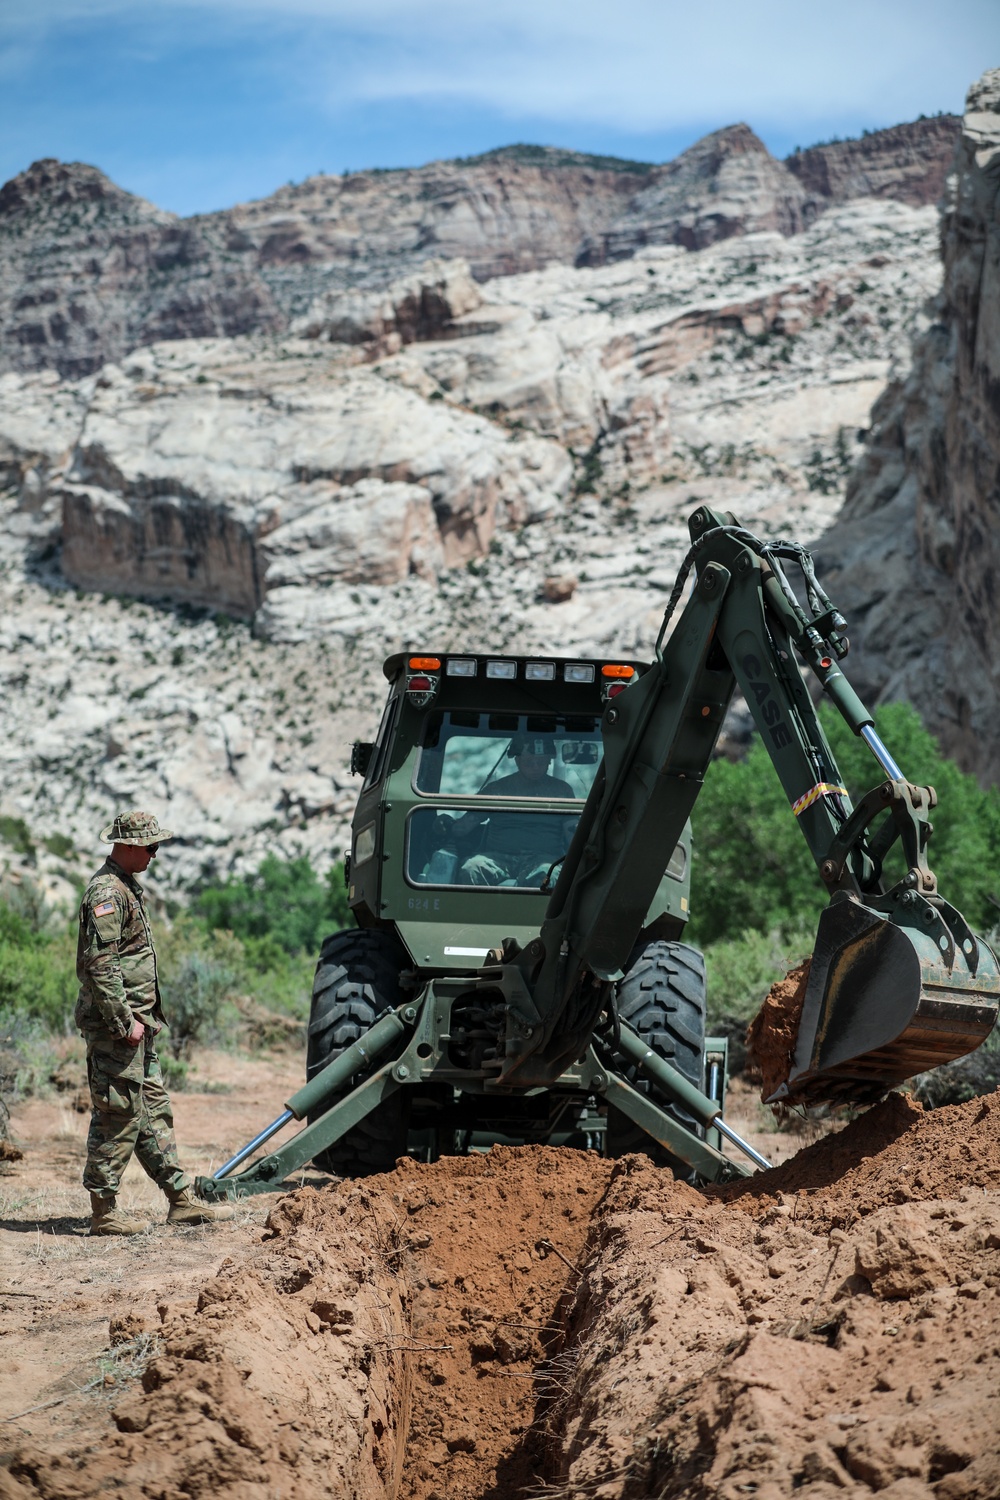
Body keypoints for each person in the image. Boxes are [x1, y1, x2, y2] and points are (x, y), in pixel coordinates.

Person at [75, 810, 234, 1236]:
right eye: (150, 847)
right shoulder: (106, 893)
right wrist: (124, 1022)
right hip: (117, 1029)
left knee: (152, 1111)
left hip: (137, 1026)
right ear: (126, 846)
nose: (155, 854)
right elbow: (101, 964)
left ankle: (180, 1200)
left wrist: (142, 1020)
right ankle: (104, 1212)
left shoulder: (128, 887)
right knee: (118, 1113)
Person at [457, 736, 577, 886]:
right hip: (497, 858)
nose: (535, 767)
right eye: (529, 762)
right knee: (472, 869)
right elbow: (466, 824)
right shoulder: (496, 789)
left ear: (549, 761)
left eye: (540, 762)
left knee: (548, 875)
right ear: (517, 761)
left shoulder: (562, 790)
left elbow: (572, 832)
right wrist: (447, 826)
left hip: (542, 859)